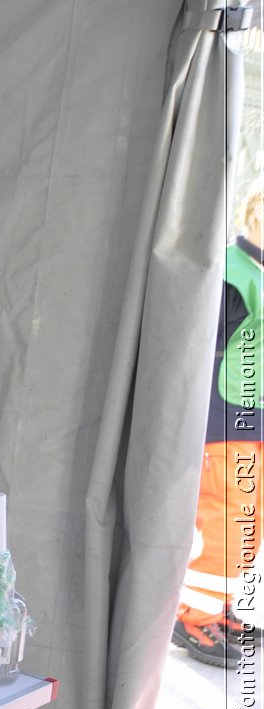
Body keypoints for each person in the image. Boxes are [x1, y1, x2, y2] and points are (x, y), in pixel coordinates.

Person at [175, 178, 264, 666]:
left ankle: (220, 604)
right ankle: (194, 614)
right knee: (227, 513)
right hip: (228, 417)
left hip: (256, 418)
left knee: (250, 519)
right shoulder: (231, 271)